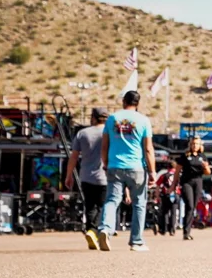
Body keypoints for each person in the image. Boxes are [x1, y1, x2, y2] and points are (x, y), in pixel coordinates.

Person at [98, 90, 156, 252]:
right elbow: (148, 149)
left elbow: (104, 146)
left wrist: (106, 163)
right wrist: (152, 172)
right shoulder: (143, 120)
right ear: (138, 103)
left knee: (112, 200)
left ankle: (105, 229)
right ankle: (136, 241)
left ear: (124, 101)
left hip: (115, 165)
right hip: (136, 167)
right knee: (139, 204)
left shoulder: (112, 119)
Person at [64, 108, 109, 250]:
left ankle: (90, 230)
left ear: (93, 118)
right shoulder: (110, 134)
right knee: (103, 206)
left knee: (90, 206)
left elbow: (74, 157)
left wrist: (69, 175)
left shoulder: (82, 133)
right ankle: (98, 231)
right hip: (105, 176)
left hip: (86, 176)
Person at [172, 136, 211, 240]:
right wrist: (173, 185)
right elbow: (177, 172)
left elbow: (208, 173)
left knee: (193, 207)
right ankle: (186, 232)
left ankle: (188, 230)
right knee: (189, 205)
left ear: (200, 146)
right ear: (190, 145)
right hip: (186, 182)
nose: (195, 146)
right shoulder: (185, 156)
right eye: (193, 144)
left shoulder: (202, 156)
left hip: (198, 181)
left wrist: (205, 167)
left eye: (197, 144)